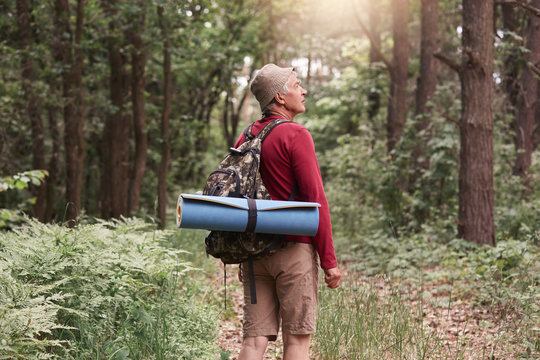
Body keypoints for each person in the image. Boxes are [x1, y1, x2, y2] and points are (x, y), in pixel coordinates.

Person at [236, 63, 341, 360]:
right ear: (280, 98)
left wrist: (243, 255)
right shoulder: (296, 135)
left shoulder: (246, 137)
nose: (303, 90)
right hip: (293, 251)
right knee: (297, 341)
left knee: (254, 341)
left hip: (254, 252)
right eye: (297, 85)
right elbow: (315, 200)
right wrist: (329, 261)